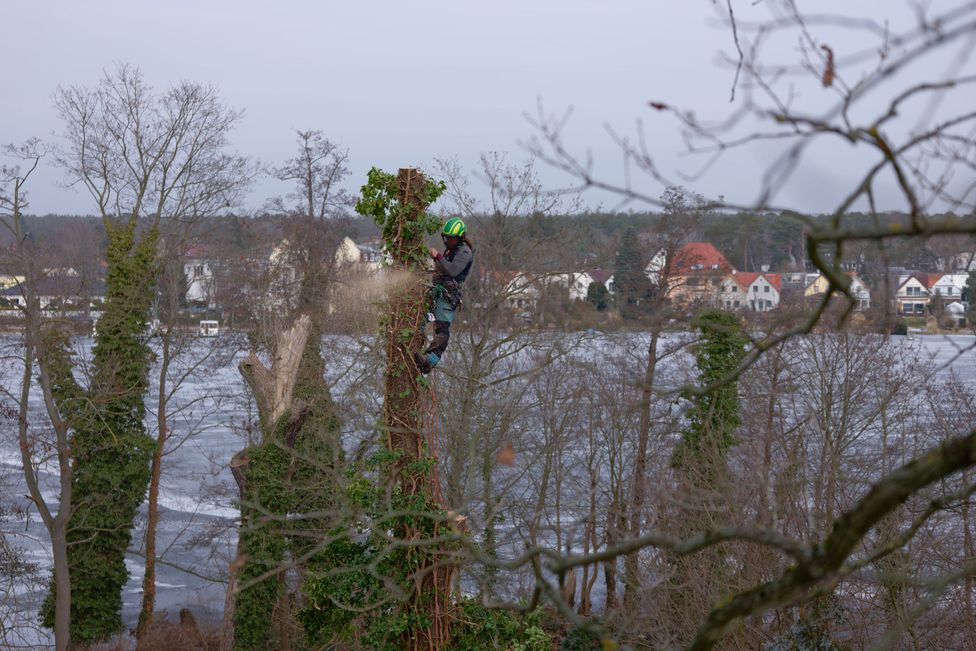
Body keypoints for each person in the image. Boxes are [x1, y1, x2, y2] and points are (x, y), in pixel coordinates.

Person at [414, 218, 473, 374]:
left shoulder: (464, 252)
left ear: (460, 238)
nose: (447, 241)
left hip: (448, 295)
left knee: (442, 329)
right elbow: (442, 268)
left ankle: (430, 360)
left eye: (451, 238)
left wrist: (438, 256)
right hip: (437, 291)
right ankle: (413, 340)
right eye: (446, 237)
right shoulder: (451, 250)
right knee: (422, 316)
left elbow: (452, 270)